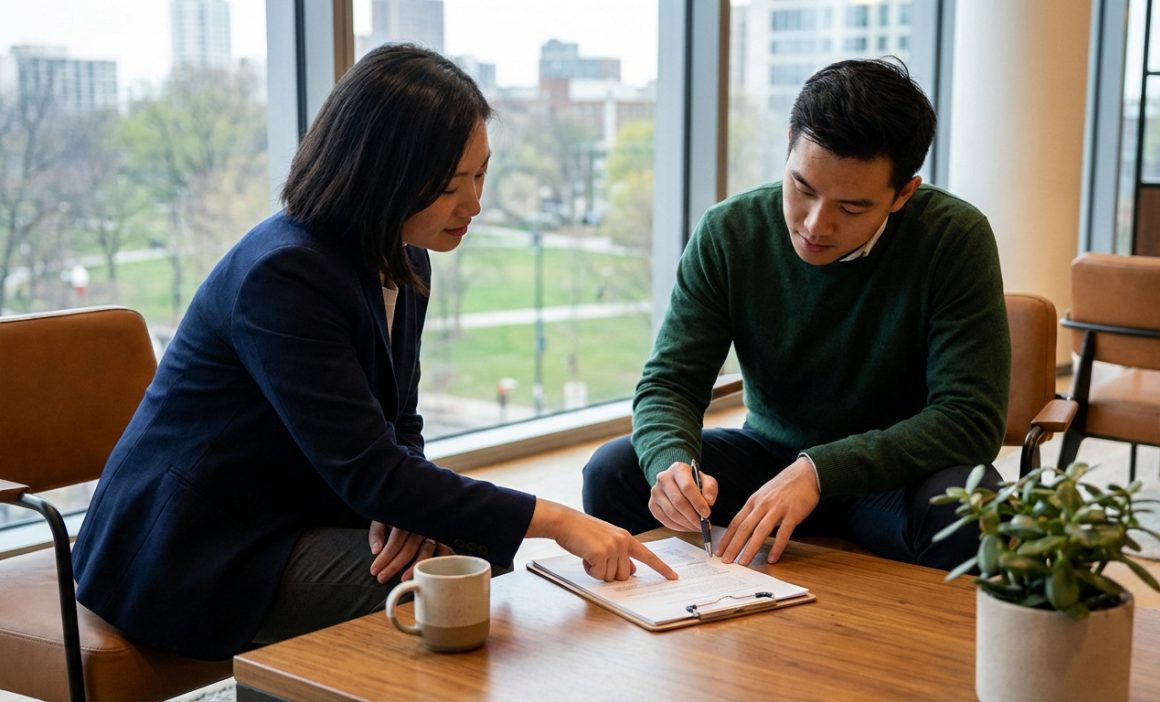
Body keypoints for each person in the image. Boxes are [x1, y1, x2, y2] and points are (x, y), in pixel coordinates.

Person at [72, 44, 676, 662]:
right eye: (448, 187)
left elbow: (397, 426)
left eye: (480, 175)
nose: (474, 205)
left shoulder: (404, 250)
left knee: (475, 555)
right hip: (203, 542)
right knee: (448, 596)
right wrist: (559, 520)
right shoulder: (283, 276)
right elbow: (368, 470)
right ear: (379, 178)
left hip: (296, 505)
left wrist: (409, 510)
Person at [582, 58, 1010, 571]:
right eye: (802, 187)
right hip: (769, 458)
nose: (814, 224)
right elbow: (671, 382)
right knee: (613, 471)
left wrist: (819, 470)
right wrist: (670, 464)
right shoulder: (730, 232)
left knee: (973, 509)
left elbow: (969, 419)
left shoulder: (954, 238)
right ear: (789, 143)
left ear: (903, 194)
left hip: (895, 478)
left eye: (851, 209)